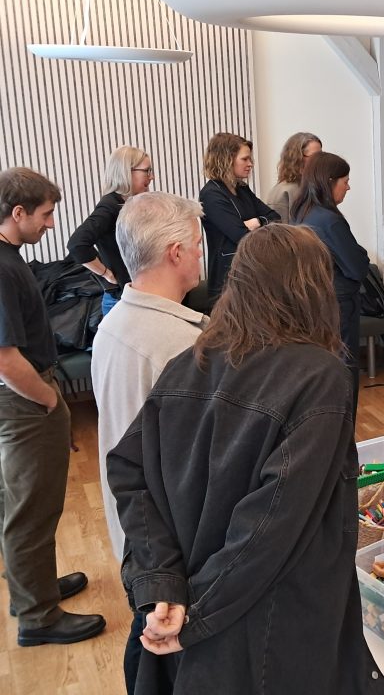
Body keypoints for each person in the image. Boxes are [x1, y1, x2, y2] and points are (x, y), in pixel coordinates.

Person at [108, 224, 384, 695]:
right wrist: (193, 609)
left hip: (198, 612)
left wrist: (162, 585)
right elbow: (272, 525)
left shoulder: (190, 360)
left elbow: (128, 473)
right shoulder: (319, 376)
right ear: (312, 289)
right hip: (269, 628)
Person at [91, 192, 207, 694]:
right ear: (176, 253)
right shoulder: (177, 345)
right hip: (169, 545)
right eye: (199, 246)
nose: (204, 255)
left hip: (136, 535)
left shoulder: (113, 323)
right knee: (162, 656)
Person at [0, 167, 104, 646]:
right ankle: (38, 617)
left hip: (22, 397)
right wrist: (48, 398)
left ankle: (32, 590)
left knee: (20, 502)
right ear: (16, 212)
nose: (50, 224)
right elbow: (5, 358)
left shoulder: (11, 255)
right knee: (31, 508)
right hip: (24, 399)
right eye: (44, 214)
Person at [292, 151, 369, 416]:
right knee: (344, 371)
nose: (348, 186)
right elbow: (358, 267)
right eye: (345, 181)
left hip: (315, 304)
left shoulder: (301, 212)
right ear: (329, 181)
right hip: (339, 305)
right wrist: (361, 254)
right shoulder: (329, 220)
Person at [66, 146, 154, 315]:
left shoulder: (128, 203)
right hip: (120, 302)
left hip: (133, 297)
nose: (152, 177)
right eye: (147, 171)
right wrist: (107, 274)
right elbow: (77, 244)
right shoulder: (110, 205)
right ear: (127, 172)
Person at [198, 132, 280, 300]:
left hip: (250, 272)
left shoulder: (242, 188)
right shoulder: (211, 194)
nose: (250, 164)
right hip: (228, 279)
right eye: (245, 159)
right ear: (226, 159)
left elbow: (275, 217)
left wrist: (257, 221)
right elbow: (240, 235)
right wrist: (251, 225)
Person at [265, 131, 322, 223]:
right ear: (297, 158)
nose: (320, 160)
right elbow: (278, 232)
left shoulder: (313, 186)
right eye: (314, 156)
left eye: (321, 155)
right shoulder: (283, 191)